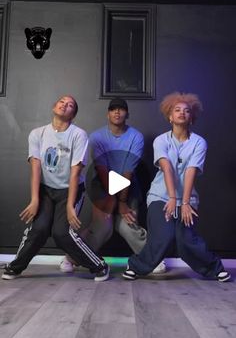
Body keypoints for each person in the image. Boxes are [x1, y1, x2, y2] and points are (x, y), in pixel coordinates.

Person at [123, 92, 231, 282]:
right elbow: (166, 168)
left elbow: (191, 171)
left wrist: (185, 202)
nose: (182, 113)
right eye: (177, 110)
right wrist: (172, 198)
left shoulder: (199, 143)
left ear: (191, 117)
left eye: (186, 111)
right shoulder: (161, 140)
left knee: (185, 240)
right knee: (163, 236)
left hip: (187, 199)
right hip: (160, 196)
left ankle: (214, 268)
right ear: (170, 116)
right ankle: (136, 266)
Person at [2, 95, 109, 281]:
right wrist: (35, 199)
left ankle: (99, 265)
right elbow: (35, 168)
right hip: (45, 189)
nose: (65, 105)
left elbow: (76, 172)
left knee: (62, 233)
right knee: (39, 229)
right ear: (54, 106)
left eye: (70, 105)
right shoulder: (37, 134)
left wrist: (69, 205)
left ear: (73, 115)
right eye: (62, 102)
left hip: (70, 189)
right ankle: (15, 266)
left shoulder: (78, 135)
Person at [60, 97, 166, 273]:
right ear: (108, 114)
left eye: (121, 109)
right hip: (103, 186)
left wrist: (122, 203)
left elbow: (128, 172)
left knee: (127, 224)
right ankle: (71, 257)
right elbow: (102, 171)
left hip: (128, 186)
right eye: (113, 109)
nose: (117, 112)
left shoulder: (136, 137)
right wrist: (112, 203)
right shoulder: (96, 137)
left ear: (127, 114)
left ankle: (152, 258)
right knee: (103, 228)